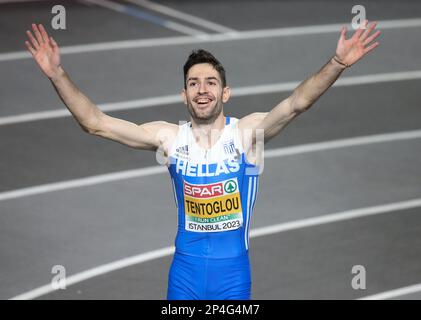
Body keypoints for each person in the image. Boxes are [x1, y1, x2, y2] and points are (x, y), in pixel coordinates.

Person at [25, 20, 380, 299]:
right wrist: (57, 73)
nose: (202, 89)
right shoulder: (169, 137)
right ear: (184, 95)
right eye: (193, 83)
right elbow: (96, 124)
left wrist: (336, 63)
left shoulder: (247, 134)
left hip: (232, 276)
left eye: (211, 82)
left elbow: (296, 103)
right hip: (185, 273)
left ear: (225, 92)